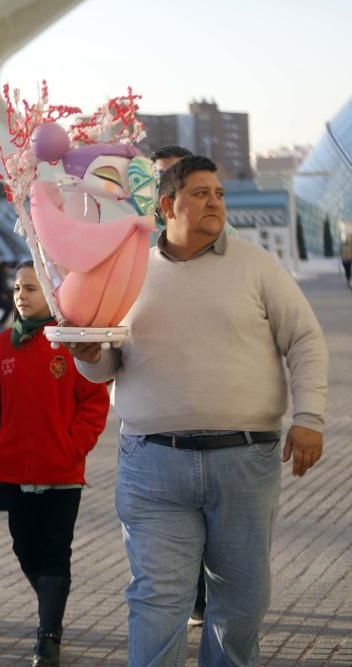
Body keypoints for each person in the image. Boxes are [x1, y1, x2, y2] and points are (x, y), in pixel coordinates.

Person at [67, 156, 328, 666]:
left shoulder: (257, 265)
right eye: (202, 193)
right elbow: (106, 365)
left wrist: (310, 417)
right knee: (156, 600)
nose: (216, 202)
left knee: (240, 606)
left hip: (245, 464)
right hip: (152, 465)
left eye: (220, 194)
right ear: (167, 205)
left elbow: (305, 340)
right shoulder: (128, 271)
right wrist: (90, 355)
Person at [0, 261, 109, 666]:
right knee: (25, 550)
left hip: (61, 473)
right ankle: (51, 605)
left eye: (31, 288)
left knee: (54, 553)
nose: (20, 295)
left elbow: (94, 403)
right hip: (14, 472)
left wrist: (73, 446)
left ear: (52, 294)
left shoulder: (69, 341)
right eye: (17, 288)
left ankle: (48, 635)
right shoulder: (3, 346)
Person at [151, 144, 208, 627]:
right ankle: (188, 597)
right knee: (169, 527)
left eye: (171, 177)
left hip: (215, 414)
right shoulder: (139, 254)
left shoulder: (223, 255)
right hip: (155, 422)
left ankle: (208, 597)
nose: (162, 187)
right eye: (157, 179)